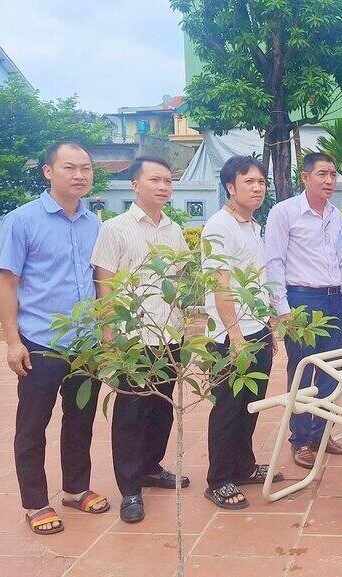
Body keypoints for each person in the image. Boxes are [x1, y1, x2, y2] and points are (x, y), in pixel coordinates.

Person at [0, 141, 108, 535]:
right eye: (69, 167)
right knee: (32, 426)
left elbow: (100, 282)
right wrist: (13, 341)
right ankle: (35, 503)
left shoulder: (95, 224)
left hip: (86, 343)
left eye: (86, 168)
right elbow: (7, 283)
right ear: (48, 172)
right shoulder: (22, 221)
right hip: (41, 342)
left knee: (81, 420)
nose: (79, 175)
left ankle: (76, 489)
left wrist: (106, 332)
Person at [90, 156, 190, 523]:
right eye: (154, 180)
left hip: (169, 334)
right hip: (132, 338)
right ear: (135, 185)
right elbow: (104, 283)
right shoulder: (115, 228)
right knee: (131, 414)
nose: (163, 187)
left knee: (161, 408)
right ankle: (130, 488)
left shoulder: (174, 230)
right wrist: (108, 333)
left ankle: (150, 467)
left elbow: (179, 280)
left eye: (168, 181)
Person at [265, 152, 342, 469]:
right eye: (322, 174)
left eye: (333, 174)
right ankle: (300, 440)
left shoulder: (335, 214)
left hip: (332, 299)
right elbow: (274, 262)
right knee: (302, 370)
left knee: (332, 370)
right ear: (304, 177)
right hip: (301, 300)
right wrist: (282, 308)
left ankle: (321, 434)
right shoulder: (284, 212)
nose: (329, 180)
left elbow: (340, 262)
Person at [201, 155, 283, 509]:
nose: (257, 188)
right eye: (248, 181)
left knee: (249, 405)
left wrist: (267, 327)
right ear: (230, 187)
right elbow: (220, 285)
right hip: (230, 336)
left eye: (261, 182)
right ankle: (219, 479)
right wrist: (235, 337)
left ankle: (243, 466)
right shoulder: (219, 227)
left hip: (256, 329)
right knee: (227, 408)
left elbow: (256, 282)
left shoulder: (252, 225)